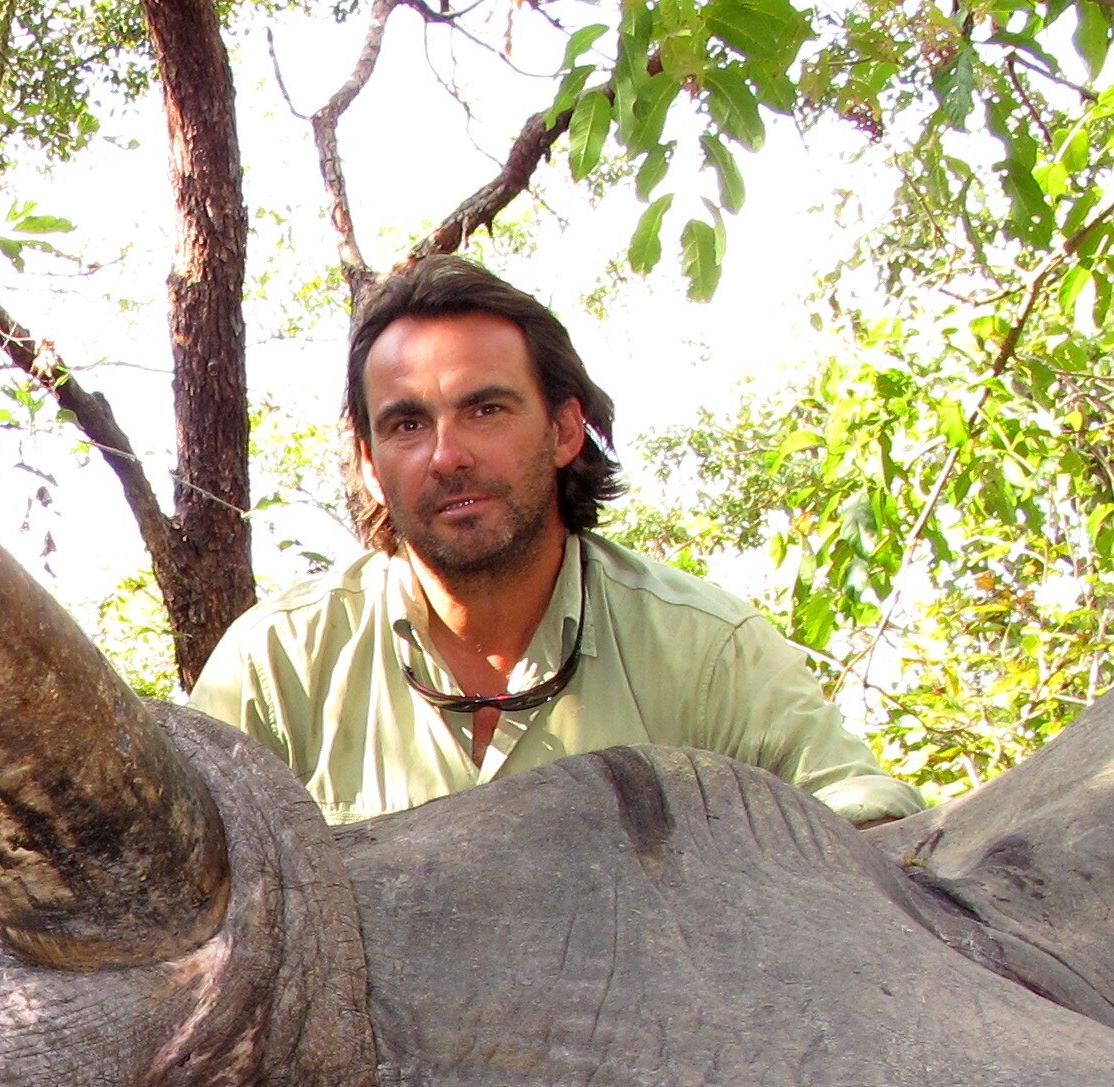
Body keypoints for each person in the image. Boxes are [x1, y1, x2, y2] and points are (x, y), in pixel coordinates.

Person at [188, 255, 926, 828]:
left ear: (566, 429)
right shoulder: (274, 668)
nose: (447, 455)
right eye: (406, 424)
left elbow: (865, 819)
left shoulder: (706, 651)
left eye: (485, 409)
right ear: (370, 463)